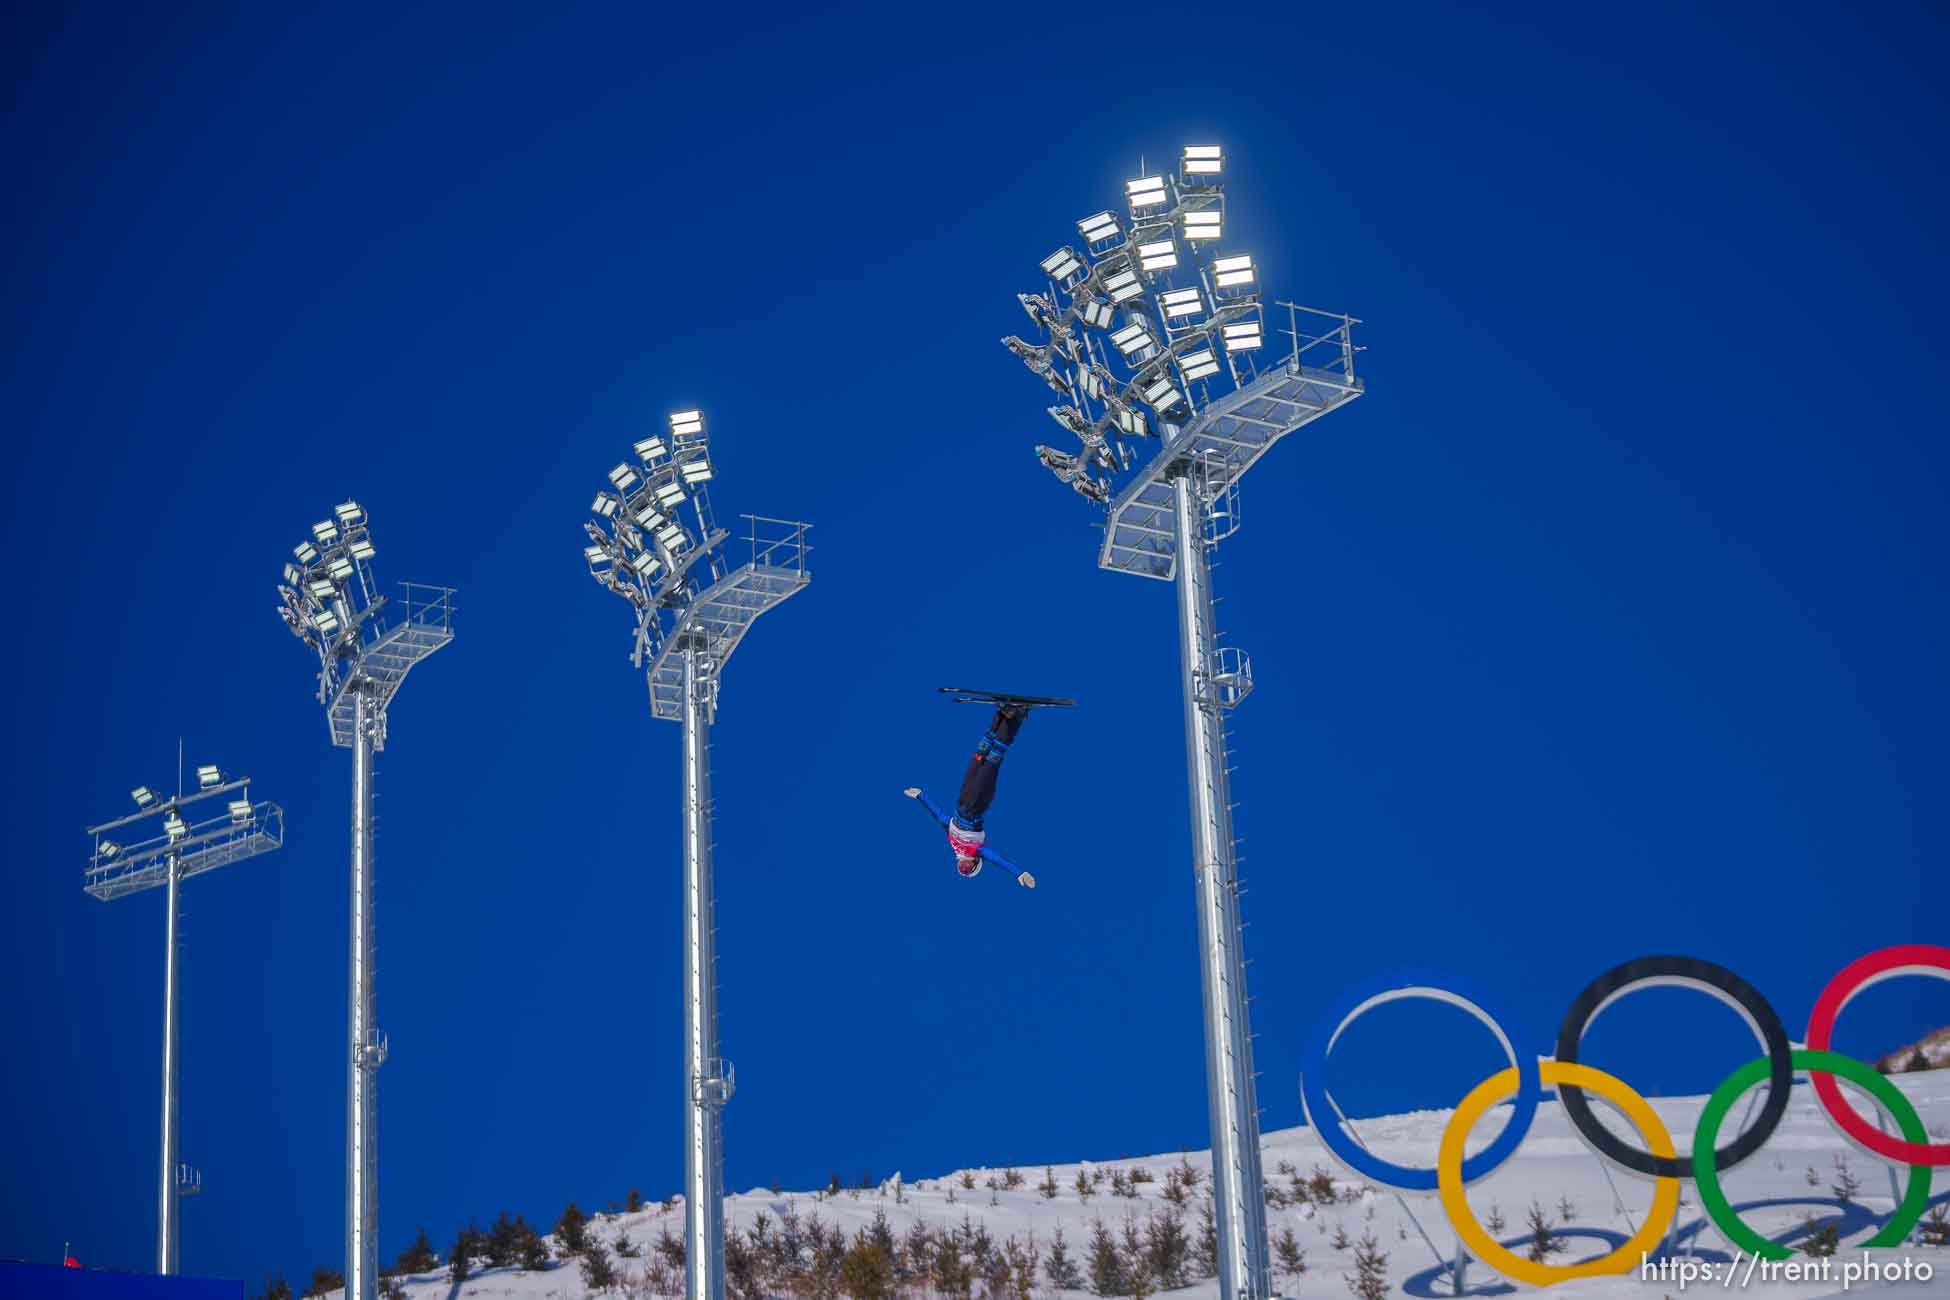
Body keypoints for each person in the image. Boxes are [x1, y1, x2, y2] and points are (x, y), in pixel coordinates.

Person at [904, 703, 1036, 888]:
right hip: (976, 805)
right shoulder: (977, 850)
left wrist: (921, 796)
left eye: (961, 871)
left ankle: (1002, 714)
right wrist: (1019, 873)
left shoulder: (954, 843)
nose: (962, 868)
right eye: (967, 870)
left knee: (979, 755)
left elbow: (941, 818)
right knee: (992, 760)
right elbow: (997, 860)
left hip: (962, 800)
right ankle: (1017, 717)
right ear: (975, 863)